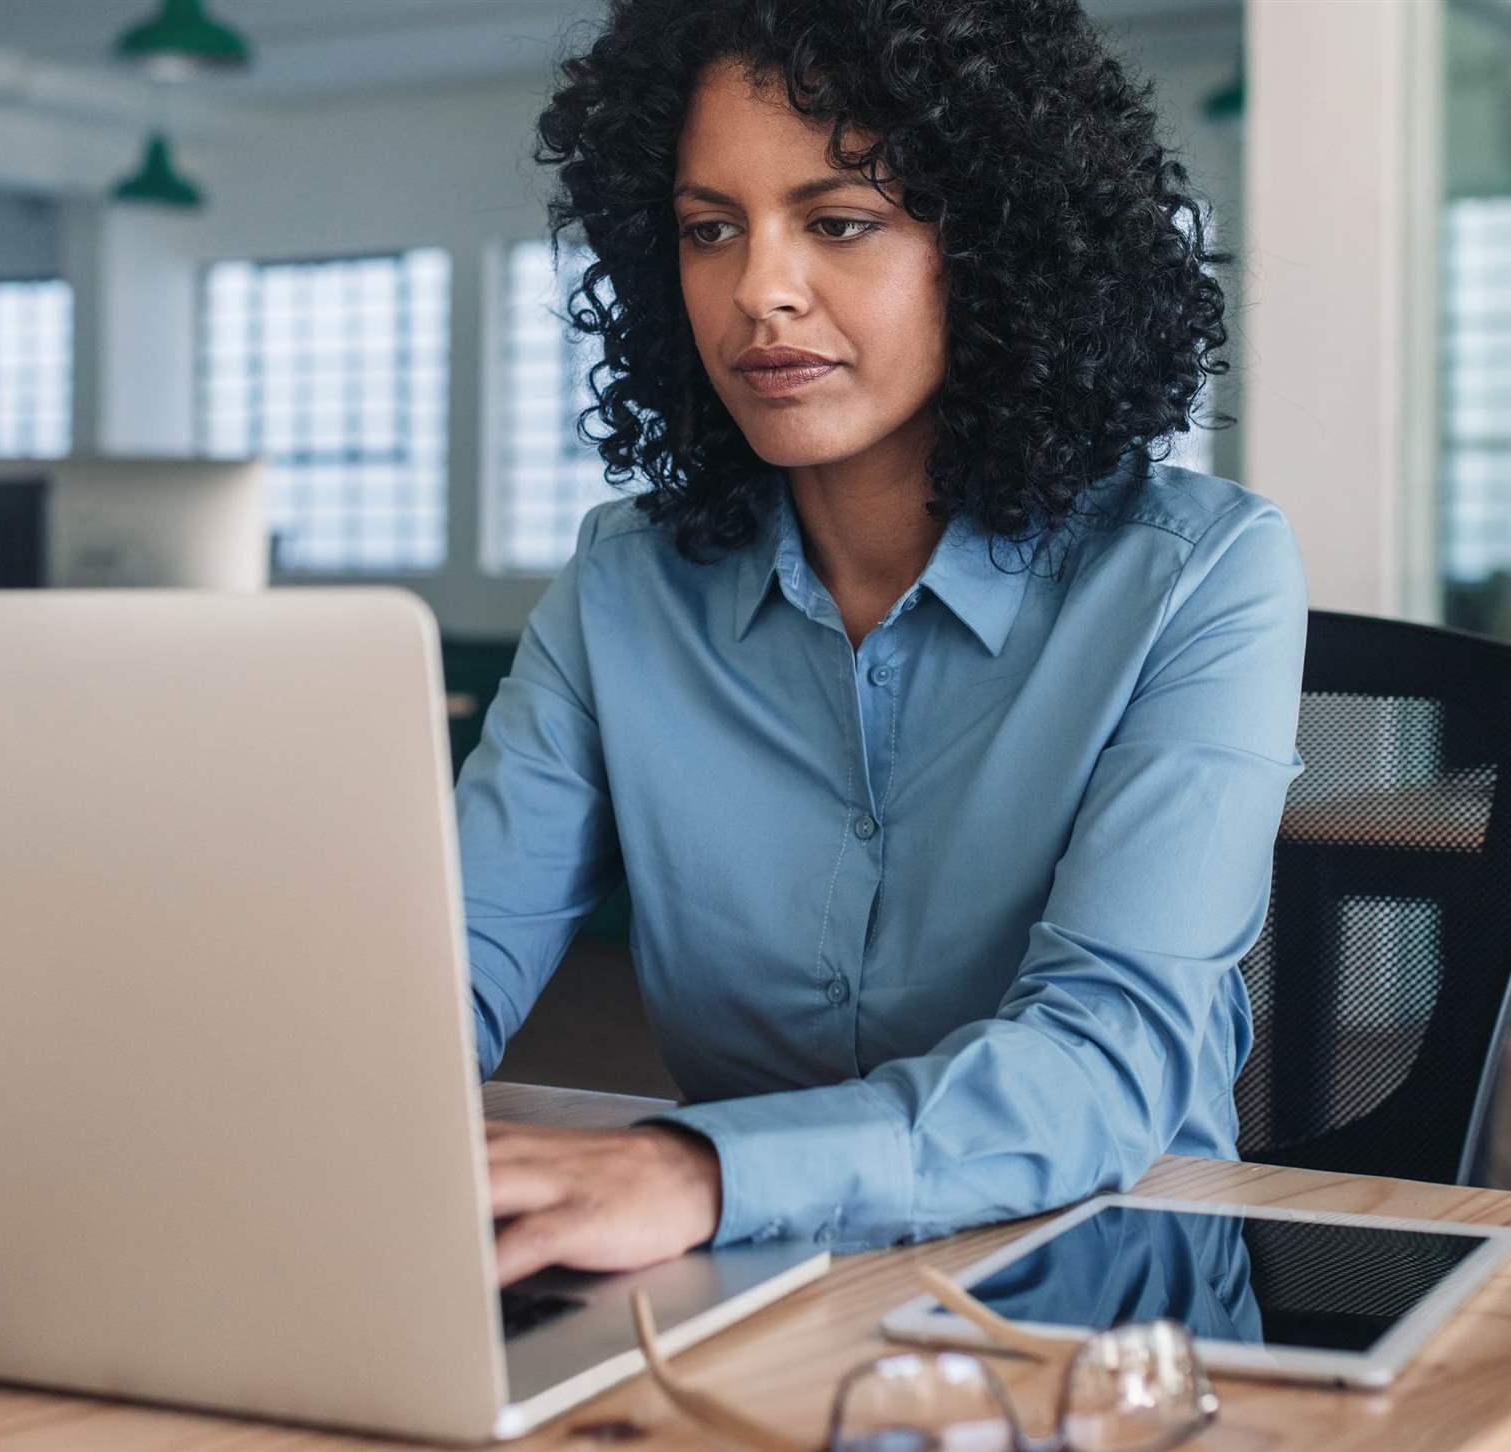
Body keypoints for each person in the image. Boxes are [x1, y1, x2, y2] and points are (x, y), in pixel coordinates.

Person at [468, 0, 1307, 1286]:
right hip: (737, 1295)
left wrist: (699, 1170)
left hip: (1096, 1323)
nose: (759, 291)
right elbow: (452, 959)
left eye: (840, 222)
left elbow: (1103, 1062)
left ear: (996, 246)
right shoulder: (621, 588)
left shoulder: (1202, 577)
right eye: (708, 231)